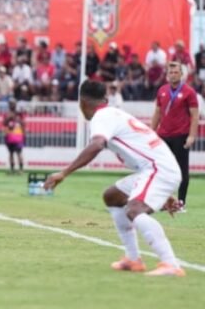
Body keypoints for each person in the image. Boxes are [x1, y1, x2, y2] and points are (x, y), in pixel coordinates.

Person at [44, 80, 186, 277]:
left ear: (82, 102)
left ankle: (171, 264)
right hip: (155, 169)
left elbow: (97, 145)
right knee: (113, 196)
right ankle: (133, 259)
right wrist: (163, 191)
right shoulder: (114, 113)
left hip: (157, 169)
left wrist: (64, 173)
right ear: (105, 99)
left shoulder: (101, 117)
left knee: (134, 210)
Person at [150, 61, 198, 213]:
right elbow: (157, 112)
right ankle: (165, 202)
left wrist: (191, 136)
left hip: (181, 135)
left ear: (181, 74)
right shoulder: (162, 90)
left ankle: (181, 203)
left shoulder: (189, 92)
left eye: (176, 72)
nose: (173, 75)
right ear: (167, 75)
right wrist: (151, 132)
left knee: (182, 170)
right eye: (170, 73)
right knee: (162, 169)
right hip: (163, 135)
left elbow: (195, 116)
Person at [3, 99, 26, 174]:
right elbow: (4, 123)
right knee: (13, 153)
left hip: (16, 135)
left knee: (16, 153)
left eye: (12, 104)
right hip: (12, 136)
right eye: (11, 104)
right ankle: (15, 170)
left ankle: (19, 170)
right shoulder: (9, 114)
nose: (12, 105)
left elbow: (23, 124)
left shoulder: (19, 114)